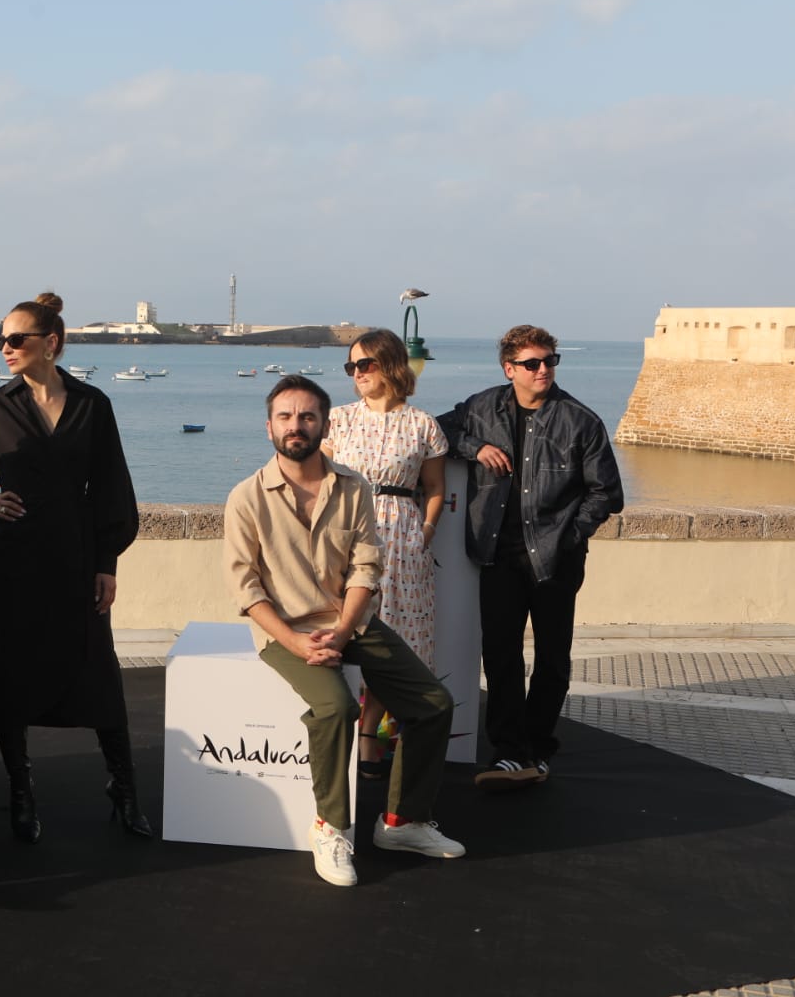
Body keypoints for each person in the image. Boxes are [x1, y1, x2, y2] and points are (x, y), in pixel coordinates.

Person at [223, 374, 463, 888]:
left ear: (325, 424)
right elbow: (246, 588)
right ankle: (331, 827)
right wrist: (295, 641)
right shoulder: (246, 497)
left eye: (307, 416)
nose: (296, 425)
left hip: (352, 622)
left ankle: (401, 822)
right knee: (337, 707)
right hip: (285, 630)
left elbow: (365, 569)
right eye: (285, 416)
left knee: (433, 705)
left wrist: (344, 629)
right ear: (269, 427)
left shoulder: (353, 488)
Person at [0, 292, 151, 842]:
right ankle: (21, 790)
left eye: (16, 339)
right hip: (14, 562)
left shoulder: (92, 404)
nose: (6, 348)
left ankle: (124, 787)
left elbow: (112, 485)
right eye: (2, 340)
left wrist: (107, 562)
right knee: (8, 676)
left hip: (77, 557)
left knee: (98, 673)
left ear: (51, 343)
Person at [438, 325, 623, 790]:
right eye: (532, 363)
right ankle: (507, 751)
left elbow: (606, 493)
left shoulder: (580, 421)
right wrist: (474, 448)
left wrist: (570, 536)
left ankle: (537, 749)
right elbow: (437, 432)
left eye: (550, 360)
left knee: (553, 659)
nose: (544, 370)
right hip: (497, 556)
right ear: (509, 368)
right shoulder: (482, 408)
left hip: (555, 559)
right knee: (500, 656)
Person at [322, 329, 448, 778]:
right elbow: (316, 483)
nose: (357, 373)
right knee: (347, 630)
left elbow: (434, 488)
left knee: (395, 641)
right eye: (351, 366)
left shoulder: (424, 425)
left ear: (391, 365)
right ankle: (339, 733)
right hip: (348, 536)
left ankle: (372, 737)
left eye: (365, 364)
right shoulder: (337, 420)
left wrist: (426, 531)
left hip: (403, 539)